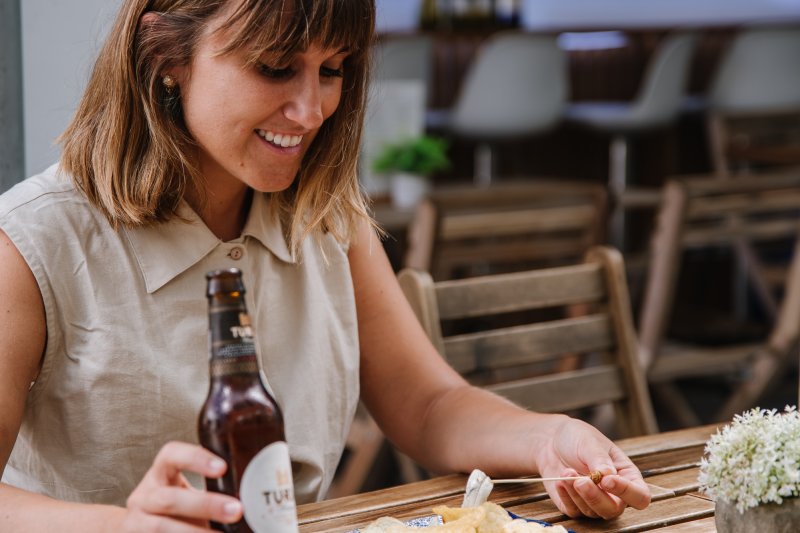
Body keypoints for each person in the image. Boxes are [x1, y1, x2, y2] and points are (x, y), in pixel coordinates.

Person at [0, 0, 651, 530]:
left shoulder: (326, 217)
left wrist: (550, 438)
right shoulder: (35, 240)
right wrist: (121, 527)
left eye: (334, 69)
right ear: (164, 55)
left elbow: (427, 404)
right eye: (276, 67)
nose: (312, 110)